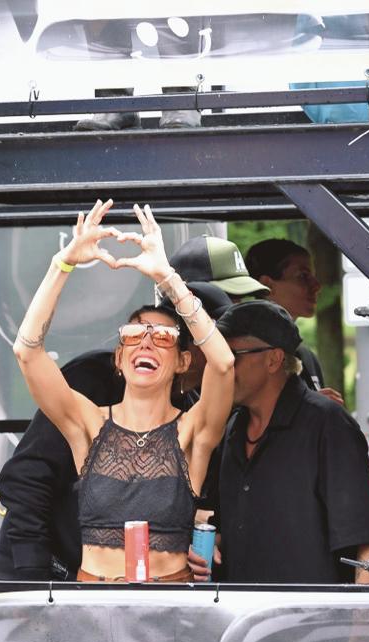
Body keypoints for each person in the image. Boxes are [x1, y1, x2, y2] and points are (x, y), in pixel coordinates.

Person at [13, 200, 234, 582]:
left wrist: (168, 279)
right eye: (133, 334)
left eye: (162, 336)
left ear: (182, 361)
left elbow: (223, 363)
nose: (145, 342)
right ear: (119, 357)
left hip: (169, 605)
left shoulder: (192, 431)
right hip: (92, 603)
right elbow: (27, 352)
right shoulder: (87, 422)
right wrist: (62, 264)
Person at [191, 300, 369, 584]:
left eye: (232, 357)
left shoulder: (328, 424)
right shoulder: (232, 428)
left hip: (315, 612)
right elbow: (225, 527)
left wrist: (359, 614)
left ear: (273, 359)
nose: (222, 367)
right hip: (239, 610)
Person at [245, 238, 342, 403]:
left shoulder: (307, 357)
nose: (316, 285)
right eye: (303, 276)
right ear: (267, 285)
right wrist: (311, 406)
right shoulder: (249, 353)